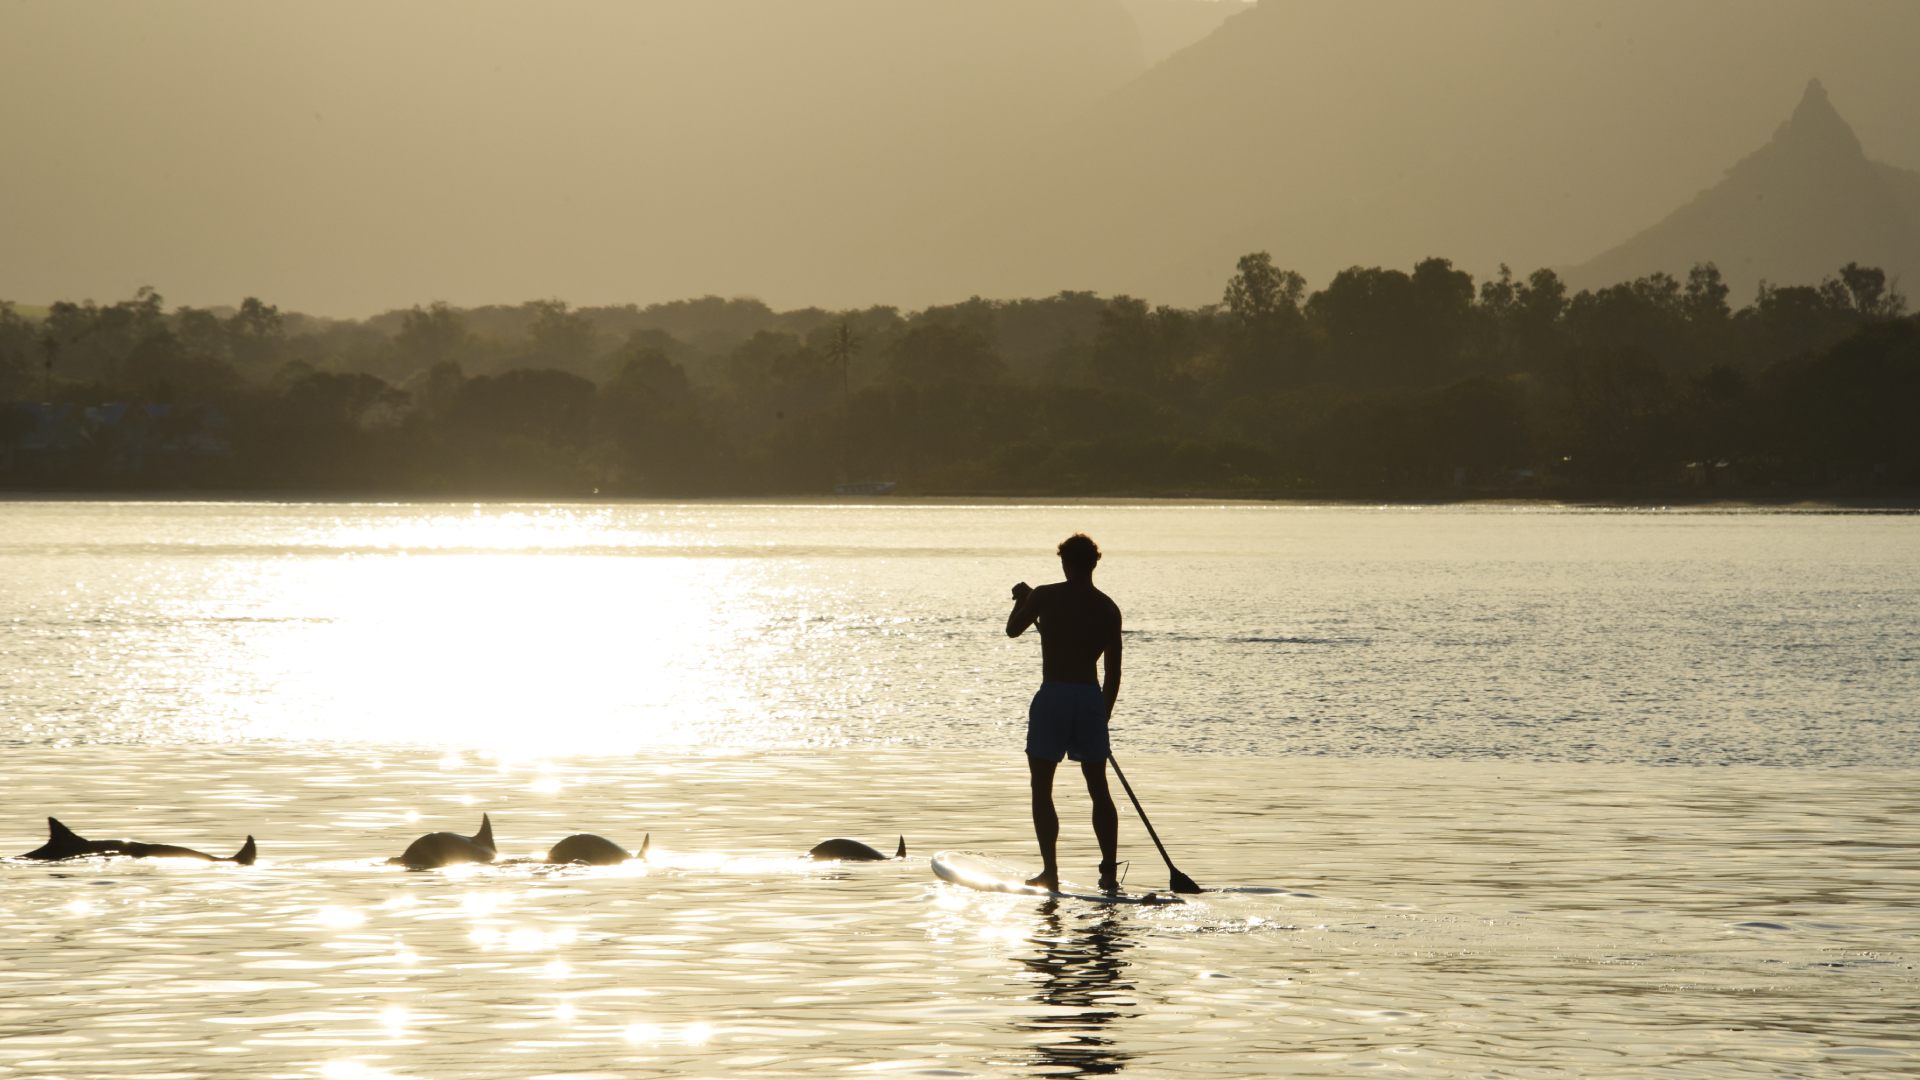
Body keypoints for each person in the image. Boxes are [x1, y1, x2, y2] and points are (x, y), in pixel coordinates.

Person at [1006, 532, 1123, 893]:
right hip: (1090, 698)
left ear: (1065, 563)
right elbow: (1113, 672)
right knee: (1098, 787)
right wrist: (1102, 714)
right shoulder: (1107, 607)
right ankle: (1107, 872)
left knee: (1042, 788)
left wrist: (1023, 601)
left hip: (1054, 695)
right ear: (1093, 564)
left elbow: (1013, 630)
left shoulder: (1045, 595)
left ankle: (1050, 871)